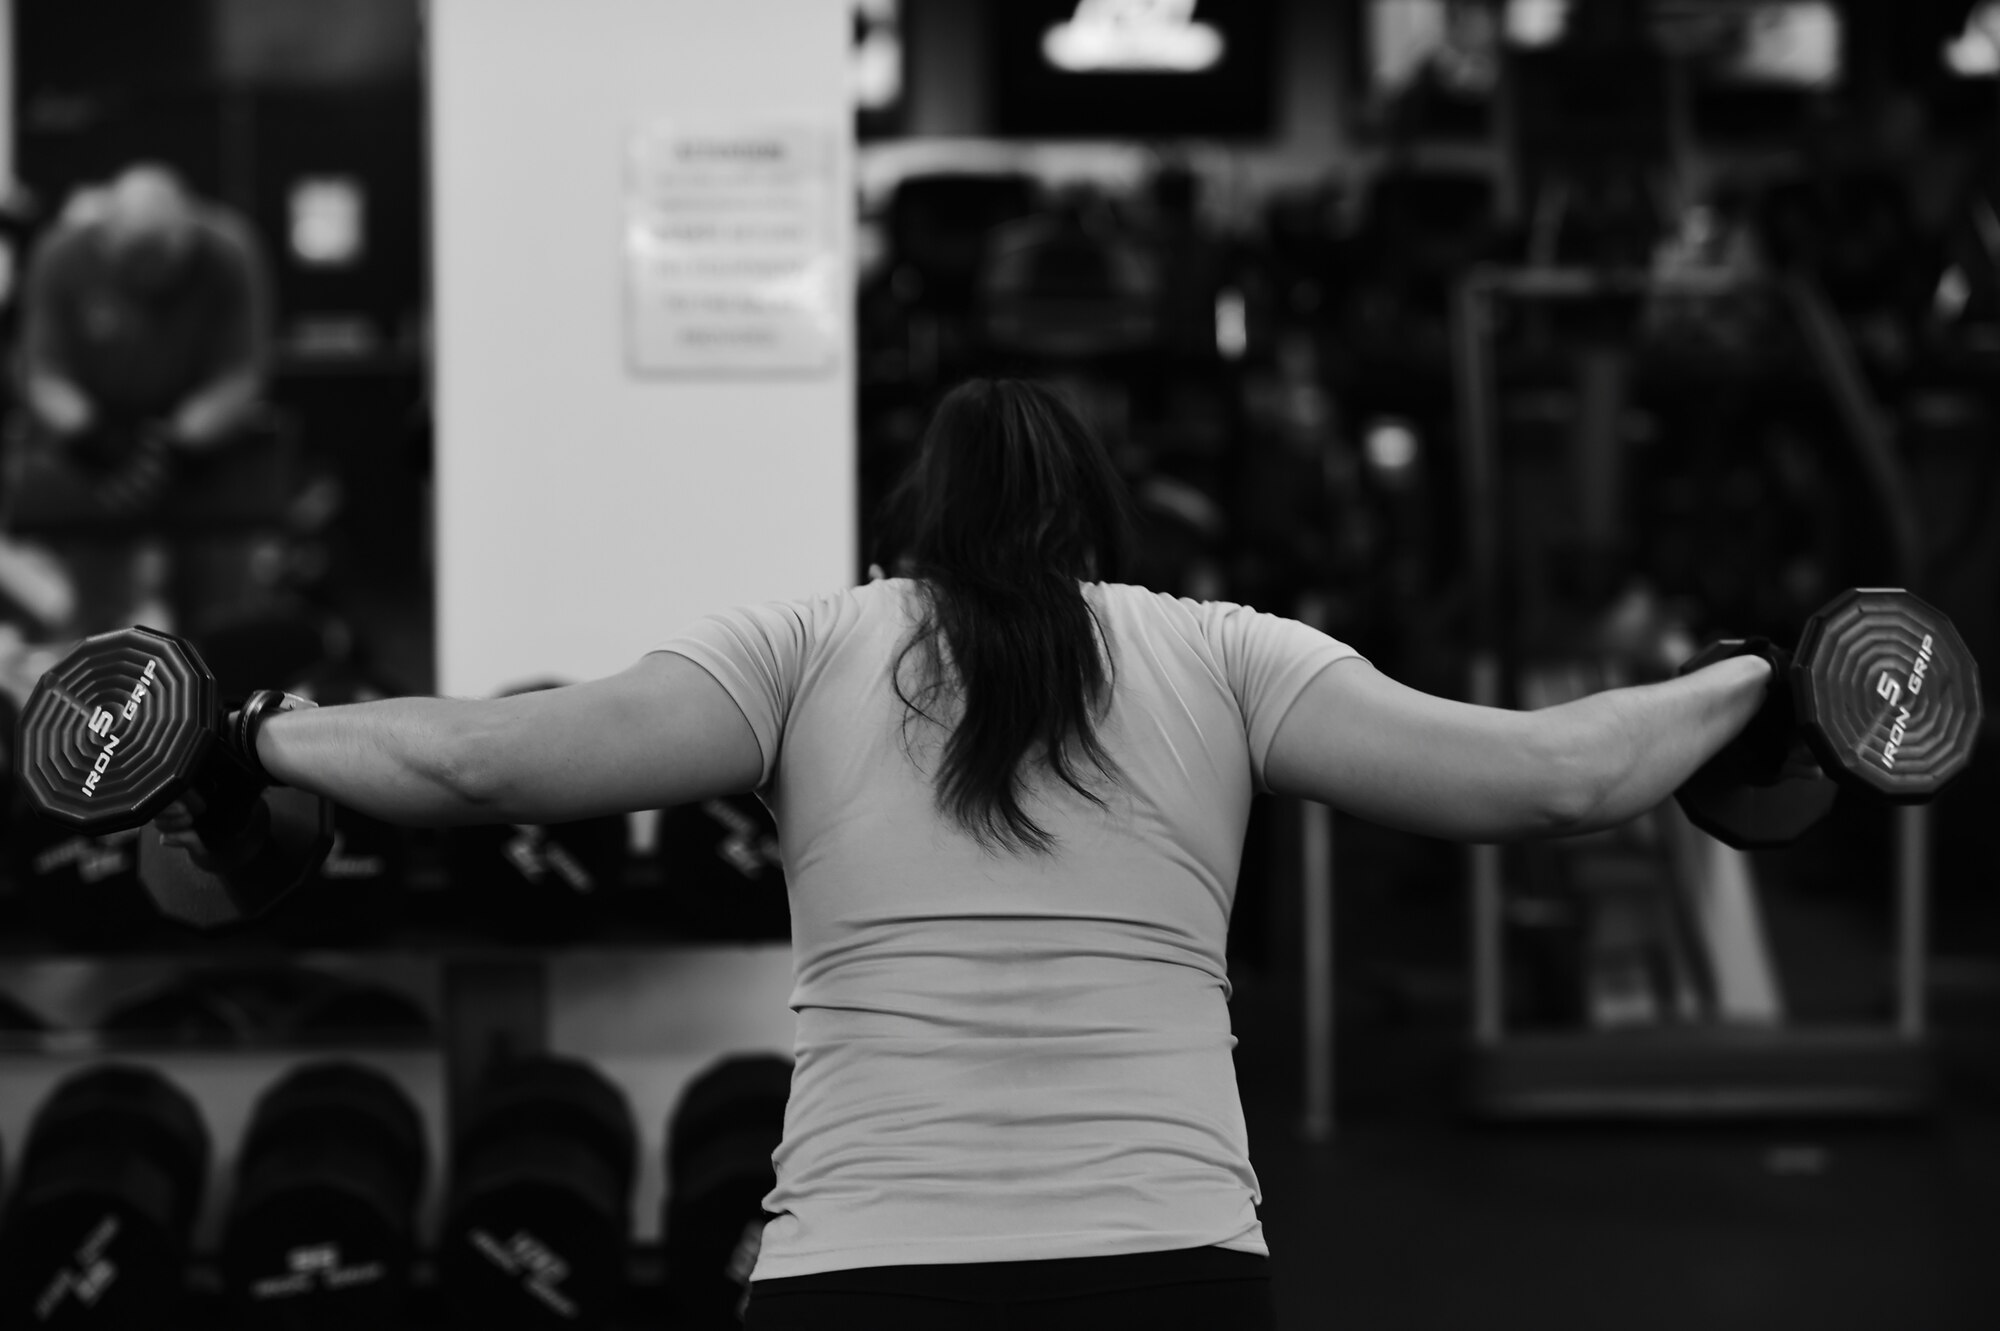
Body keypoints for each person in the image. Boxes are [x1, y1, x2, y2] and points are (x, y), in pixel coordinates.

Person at [188, 378, 1775, 1328]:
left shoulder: (811, 645)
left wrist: (251, 727)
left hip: (870, 1280)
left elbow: (474, 758)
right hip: (1167, 1272)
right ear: (1096, 518)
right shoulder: (1223, 653)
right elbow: (1565, 774)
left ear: (911, 520)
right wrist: (1769, 680)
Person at [6, 162, 274, 633]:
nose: (149, 288)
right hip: (99, 465)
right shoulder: (62, 256)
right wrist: (93, 434)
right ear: (106, 241)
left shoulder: (230, 252)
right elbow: (43, 370)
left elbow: (241, 369)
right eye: (135, 268)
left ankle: (219, 699)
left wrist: (181, 439)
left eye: (162, 268)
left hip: (205, 460)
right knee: (99, 616)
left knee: (221, 616)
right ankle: (103, 700)